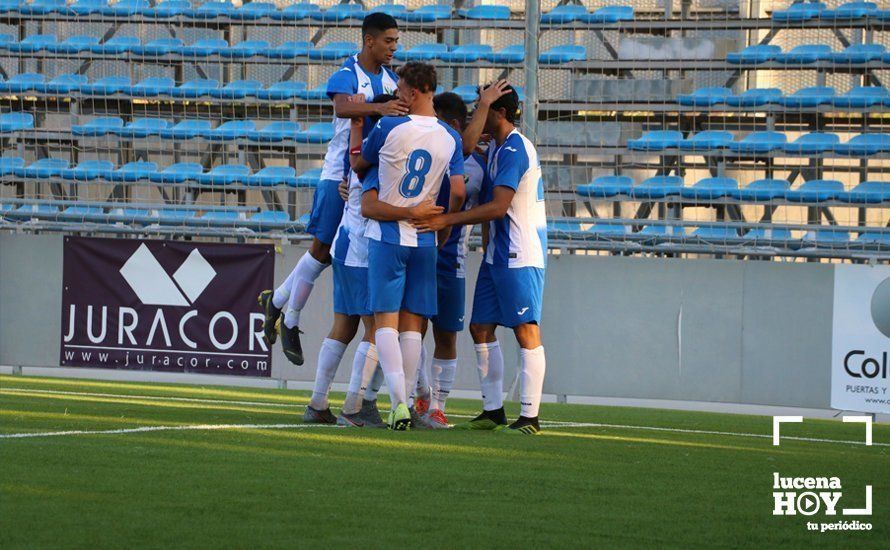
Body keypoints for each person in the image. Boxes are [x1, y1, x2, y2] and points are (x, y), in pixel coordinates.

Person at [258, 12, 406, 366]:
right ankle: (289, 318)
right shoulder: (348, 71)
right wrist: (379, 107)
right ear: (368, 41)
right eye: (388, 40)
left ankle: (278, 302)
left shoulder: (390, 78)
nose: (393, 47)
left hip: (365, 179)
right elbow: (341, 106)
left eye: (396, 41)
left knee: (327, 255)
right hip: (337, 174)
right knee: (322, 249)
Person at [414, 85, 548, 435]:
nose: (477, 117)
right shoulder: (496, 149)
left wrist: (445, 220)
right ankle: (493, 411)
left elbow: (499, 206)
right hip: (497, 255)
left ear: (499, 114)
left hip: (520, 254)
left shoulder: (515, 149)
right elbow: (467, 151)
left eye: (483, 110)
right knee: (480, 327)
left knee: (525, 329)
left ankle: (530, 417)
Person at [350, 62, 466, 430]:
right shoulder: (451, 136)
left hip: (389, 233)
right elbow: (459, 190)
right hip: (426, 236)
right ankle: (411, 410)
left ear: (413, 92)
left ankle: (398, 404)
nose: (396, 96)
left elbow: (361, 164)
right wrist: (443, 223)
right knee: (414, 325)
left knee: (385, 320)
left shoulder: (388, 125)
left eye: (400, 90)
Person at [412, 84, 511, 429]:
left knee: (446, 334)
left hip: (452, 261)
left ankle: (437, 406)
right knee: (413, 329)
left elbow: (488, 209)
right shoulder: (426, 151)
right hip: (420, 251)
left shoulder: (479, 161)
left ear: (452, 124)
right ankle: (419, 395)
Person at [303, 94, 401, 428]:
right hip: (361, 247)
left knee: (343, 325)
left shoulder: (358, 151)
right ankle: (354, 406)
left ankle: (317, 402)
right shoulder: (380, 155)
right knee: (377, 327)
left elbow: (355, 164)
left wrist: (359, 121)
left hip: (344, 244)